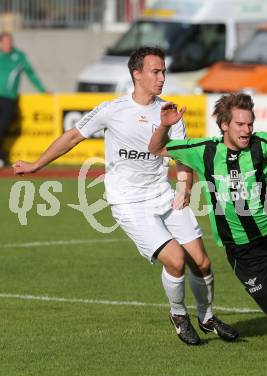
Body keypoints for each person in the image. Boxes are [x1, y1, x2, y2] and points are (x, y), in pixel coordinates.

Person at [13, 47, 238, 345]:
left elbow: (184, 156)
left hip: (163, 195)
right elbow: (71, 137)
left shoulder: (170, 112)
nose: (161, 78)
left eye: (163, 72)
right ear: (137, 74)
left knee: (203, 262)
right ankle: (178, 315)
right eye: (155, 72)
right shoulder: (112, 110)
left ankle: (207, 317)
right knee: (175, 260)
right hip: (129, 202)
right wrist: (35, 165)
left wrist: (184, 186)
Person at [148, 93, 267, 320]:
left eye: (250, 124)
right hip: (244, 250)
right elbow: (156, 148)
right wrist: (165, 126)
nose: (246, 130)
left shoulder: (261, 143)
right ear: (224, 125)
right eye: (240, 124)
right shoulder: (204, 150)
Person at [0, 32, 47, 167]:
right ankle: (2, 158)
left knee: (2, 128)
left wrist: (42, 90)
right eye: (5, 42)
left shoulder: (19, 57)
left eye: (10, 41)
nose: (8, 44)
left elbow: (31, 74)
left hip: (9, 100)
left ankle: (2, 157)